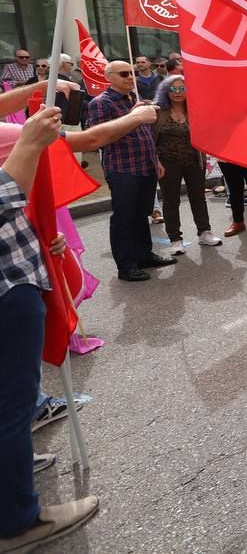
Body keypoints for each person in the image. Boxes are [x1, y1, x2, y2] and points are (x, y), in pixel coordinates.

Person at [0, 106, 101, 551]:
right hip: (6, 288)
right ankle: (19, 520)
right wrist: (29, 143)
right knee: (11, 406)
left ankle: (13, 473)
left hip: (14, 274)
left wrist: (40, 238)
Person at [84, 61, 175, 282]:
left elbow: (145, 134)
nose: (129, 77)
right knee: (124, 217)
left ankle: (144, 255)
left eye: (132, 73)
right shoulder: (101, 103)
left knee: (142, 214)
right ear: (109, 77)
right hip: (123, 168)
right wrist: (133, 116)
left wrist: (155, 160)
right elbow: (101, 139)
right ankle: (126, 265)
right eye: (124, 74)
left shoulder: (133, 99)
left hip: (145, 165)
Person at [153, 75, 221, 256]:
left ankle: (205, 232)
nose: (177, 93)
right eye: (173, 89)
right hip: (167, 162)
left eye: (181, 88)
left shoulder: (195, 110)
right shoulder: (157, 111)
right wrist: (156, 160)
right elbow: (149, 140)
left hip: (194, 160)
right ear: (165, 92)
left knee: (198, 198)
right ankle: (175, 239)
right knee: (170, 201)